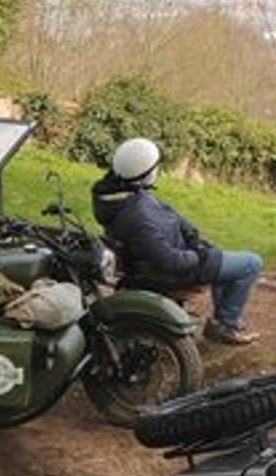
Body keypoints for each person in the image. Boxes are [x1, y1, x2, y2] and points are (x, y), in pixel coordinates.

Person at [92, 137, 264, 346]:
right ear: (146, 173)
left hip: (168, 259)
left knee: (223, 258)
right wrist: (200, 255)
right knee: (252, 263)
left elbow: (168, 212)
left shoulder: (123, 193)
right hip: (172, 272)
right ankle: (226, 324)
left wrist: (192, 234)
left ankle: (222, 321)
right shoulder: (137, 217)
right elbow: (169, 261)